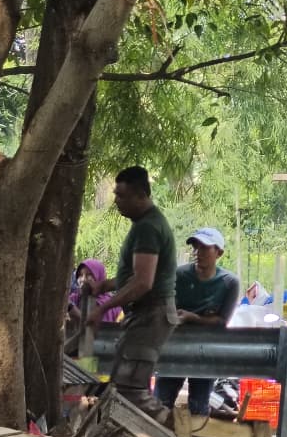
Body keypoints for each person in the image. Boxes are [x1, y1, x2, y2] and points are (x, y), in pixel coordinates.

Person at [94, 167, 177, 393]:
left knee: (130, 390)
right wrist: (105, 285)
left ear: (141, 195)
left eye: (122, 196)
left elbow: (142, 282)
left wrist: (103, 308)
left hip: (151, 315)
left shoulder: (148, 228)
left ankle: (163, 418)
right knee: (124, 386)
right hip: (146, 315)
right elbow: (136, 276)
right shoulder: (144, 225)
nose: (116, 201)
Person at [169, 227, 243, 409]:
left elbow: (222, 321)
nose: (197, 252)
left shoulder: (229, 282)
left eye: (204, 248)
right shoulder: (179, 275)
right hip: (176, 348)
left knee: (199, 406)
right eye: (195, 247)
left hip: (206, 352)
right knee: (161, 401)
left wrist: (192, 317)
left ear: (219, 252)